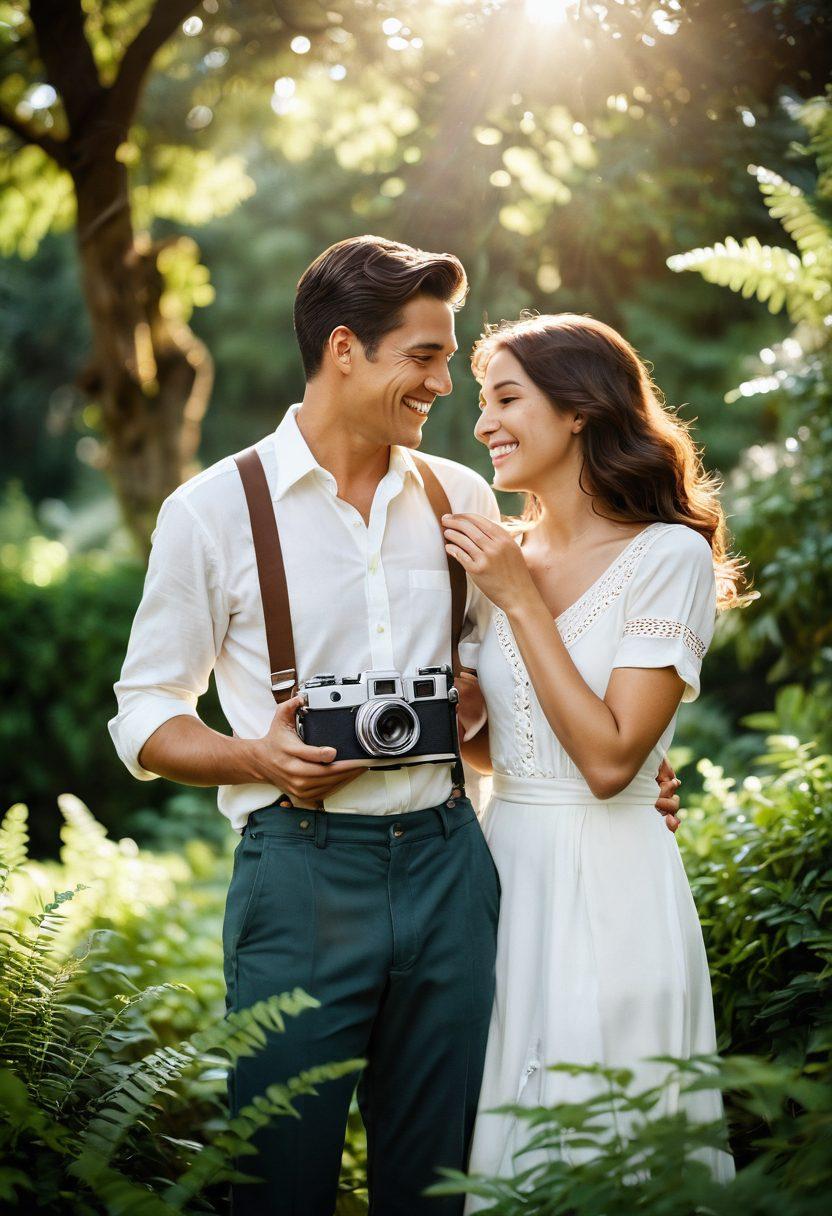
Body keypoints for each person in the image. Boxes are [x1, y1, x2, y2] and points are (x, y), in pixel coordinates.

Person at [109, 239, 681, 1216]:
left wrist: (621, 773)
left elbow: (548, 674)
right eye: (424, 355)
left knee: (443, 1184)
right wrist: (257, 755)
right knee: (279, 1180)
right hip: (298, 869)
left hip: (452, 866)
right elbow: (144, 712)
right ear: (344, 350)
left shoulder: (464, 499)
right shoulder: (211, 512)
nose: (444, 382)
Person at [441, 313, 739, 1201]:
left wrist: (519, 602)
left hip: (616, 876)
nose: (485, 422)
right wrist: (461, 718)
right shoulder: (498, 553)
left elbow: (610, 764)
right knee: (511, 1128)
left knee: (619, 1134)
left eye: (505, 399)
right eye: (481, 403)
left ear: (577, 409)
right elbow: (512, 751)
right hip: (503, 871)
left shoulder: (667, 556)